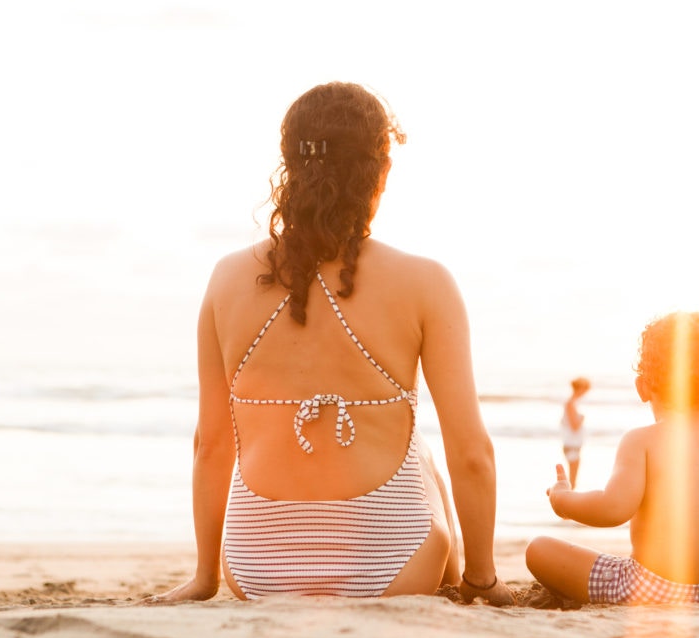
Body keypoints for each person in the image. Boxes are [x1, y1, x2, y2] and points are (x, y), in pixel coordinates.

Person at [149, 82, 513, 606]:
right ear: (379, 173)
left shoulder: (226, 278)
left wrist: (207, 577)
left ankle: (214, 568)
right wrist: (487, 577)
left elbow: (211, 444)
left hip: (256, 567)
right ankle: (469, 581)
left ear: (289, 167)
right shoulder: (425, 281)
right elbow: (473, 452)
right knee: (425, 449)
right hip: (393, 565)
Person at [525, 311, 699, 605]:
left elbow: (613, 509)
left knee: (539, 549)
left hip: (650, 587)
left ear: (642, 387)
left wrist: (564, 501)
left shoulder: (640, 441)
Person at [561, 377, 591, 487]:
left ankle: (569, 501)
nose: (585, 393)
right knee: (572, 481)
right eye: (585, 389)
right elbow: (574, 426)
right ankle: (569, 502)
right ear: (579, 388)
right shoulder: (570, 404)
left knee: (573, 480)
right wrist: (582, 418)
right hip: (571, 444)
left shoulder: (572, 403)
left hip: (573, 444)